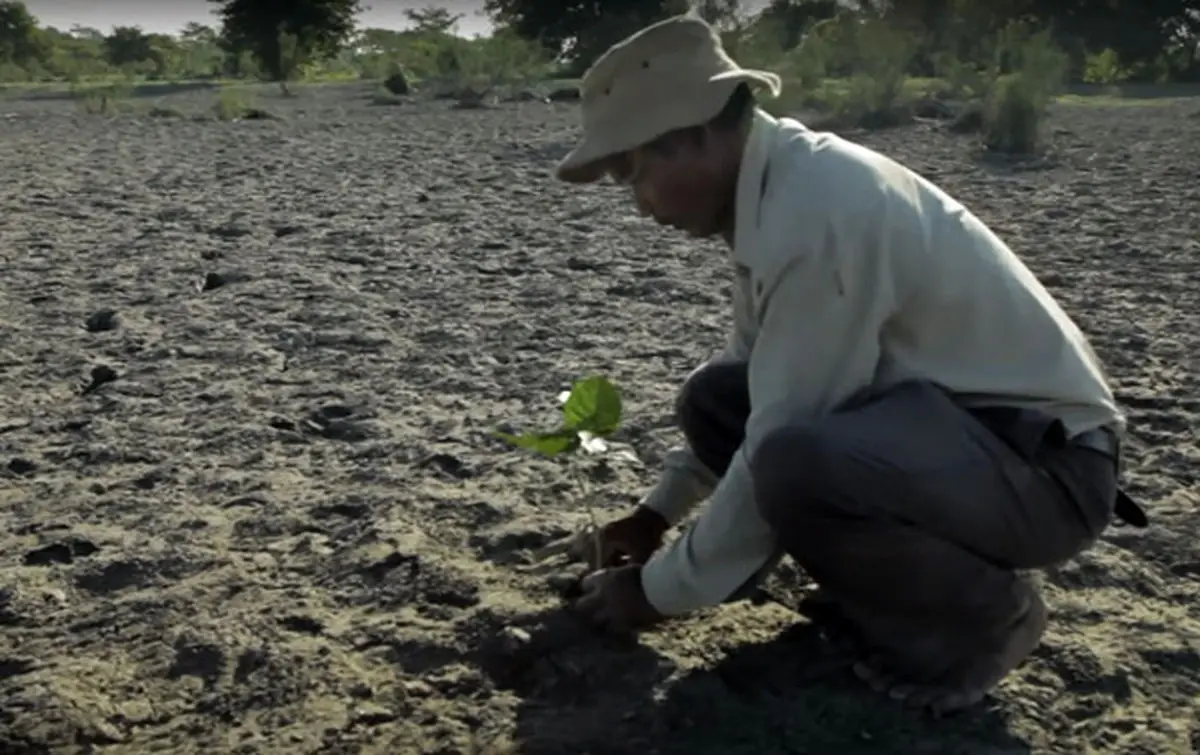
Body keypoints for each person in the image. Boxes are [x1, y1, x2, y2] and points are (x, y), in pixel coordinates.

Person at [552, 14, 1147, 715]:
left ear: (697, 137)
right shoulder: (776, 192)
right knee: (717, 398)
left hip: (1047, 475)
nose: (639, 204)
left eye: (634, 174)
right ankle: (867, 591)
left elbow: (785, 427)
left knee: (797, 458)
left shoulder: (821, 211)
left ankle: (992, 615)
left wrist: (655, 592)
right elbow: (757, 375)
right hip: (953, 441)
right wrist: (655, 516)